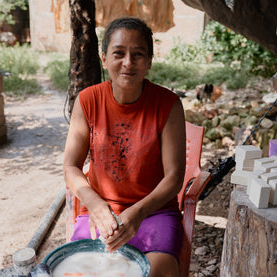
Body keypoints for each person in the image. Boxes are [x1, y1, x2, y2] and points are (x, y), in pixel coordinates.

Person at [63, 17, 186, 277]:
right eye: (119, 53)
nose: (128, 63)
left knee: (154, 272)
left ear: (149, 61)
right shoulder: (87, 101)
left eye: (138, 54)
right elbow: (71, 167)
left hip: (154, 211)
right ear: (104, 58)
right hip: (100, 210)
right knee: (78, 272)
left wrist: (137, 213)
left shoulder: (168, 105)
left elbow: (174, 177)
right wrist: (96, 206)